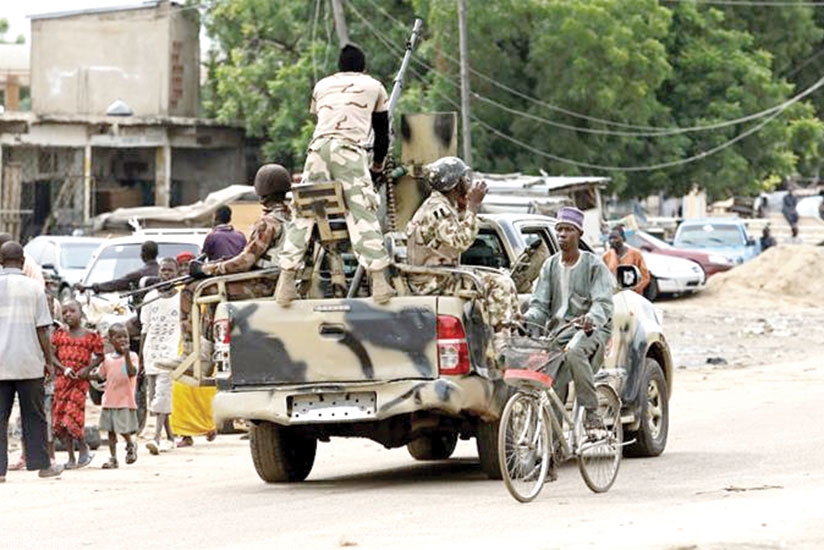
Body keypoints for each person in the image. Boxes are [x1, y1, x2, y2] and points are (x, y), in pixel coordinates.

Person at [275, 43, 395, 307]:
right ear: (363, 67)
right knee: (361, 211)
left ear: (338, 68)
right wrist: (377, 165)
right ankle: (379, 282)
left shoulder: (322, 85)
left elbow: (321, 119)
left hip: (317, 150)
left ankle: (285, 282)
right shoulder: (373, 86)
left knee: (304, 213)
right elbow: (382, 134)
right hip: (349, 151)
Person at [170, 164, 293, 363]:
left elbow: (245, 262)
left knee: (191, 290)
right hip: (276, 279)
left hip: (263, 283)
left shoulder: (268, 222)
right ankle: (207, 353)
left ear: (261, 190)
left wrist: (206, 268)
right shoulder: (291, 217)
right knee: (212, 290)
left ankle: (191, 353)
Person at [405, 156, 519, 358]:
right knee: (499, 282)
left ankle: (508, 338)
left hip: (440, 276)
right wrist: (473, 206)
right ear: (454, 184)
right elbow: (461, 241)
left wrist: (468, 209)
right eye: (463, 180)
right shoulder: (437, 210)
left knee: (500, 279)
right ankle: (502, 347)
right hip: (433, 281)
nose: (467, 184)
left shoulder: (441, 206)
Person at [523, 207, 614, 431]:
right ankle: (552, 450)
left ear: (579, 234)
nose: (562, 234)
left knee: (574, 350)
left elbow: (603, 303)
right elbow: (540, 306)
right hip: (558, 334)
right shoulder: (550, 265)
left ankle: (592, 411)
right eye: (559, 230)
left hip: (591, 332)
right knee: (550, 384)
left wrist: (591, 318)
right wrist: (525, 318)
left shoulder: (594, 265)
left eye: (568, 230)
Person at [0, 241, 64, 481]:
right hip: (29, 363)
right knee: (34, 416)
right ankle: (42, 465)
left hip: (1, 364)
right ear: (23, 262)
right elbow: (42, 329)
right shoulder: (35, 288)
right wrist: (49, 361)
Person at [51, 300, 103, 469]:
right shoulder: (59, 334)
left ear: (81, 313)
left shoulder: (90, 335)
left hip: (79, 383)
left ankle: (83, 448)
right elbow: (51, 356)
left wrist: (87, 369)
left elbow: (100, 355)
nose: (68, 315)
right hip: (62, 381)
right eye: (64, 312)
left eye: (72, 311)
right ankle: (71, 457)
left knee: (72, 417)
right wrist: (63, 368)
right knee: (59, 420)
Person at [139, 258, 180, 455]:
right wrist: (140, 358)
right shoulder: (150, 297)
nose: (167, 274)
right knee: (153, 396)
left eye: (171, 271)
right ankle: (171, 437)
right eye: (164, 271)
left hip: (170, 352)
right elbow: (145, 329)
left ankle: (155, 437)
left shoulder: (182, 298)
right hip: (151, 351)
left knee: (162, 395)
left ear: (177, 273)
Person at [91, 323, 139, 469]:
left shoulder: (132, 356)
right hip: (109, 400)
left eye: (125, 336)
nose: (123, 340)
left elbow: (132, 372)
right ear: (111, 340)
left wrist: (126, 356)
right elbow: (100, 375)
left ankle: (130, 443)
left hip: (124, 400)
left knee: (122, 429)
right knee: (110, 431)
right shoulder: (107, 359)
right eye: (118, 337)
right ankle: (113, 458)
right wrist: (85, 375)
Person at [76, 240, 159, 293]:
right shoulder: (167, 272)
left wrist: (89, 287)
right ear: (157, 254)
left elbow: (114, 284)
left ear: (142, 254)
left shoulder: (137, 275)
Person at [601, 226, 650, 295]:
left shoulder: (635, 254)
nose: (612, 241)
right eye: (610, 238)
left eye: (615, 238)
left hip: (633, 296)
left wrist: (635, 289)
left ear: (622, 238)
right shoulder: (606, 256)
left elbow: (645, 277)